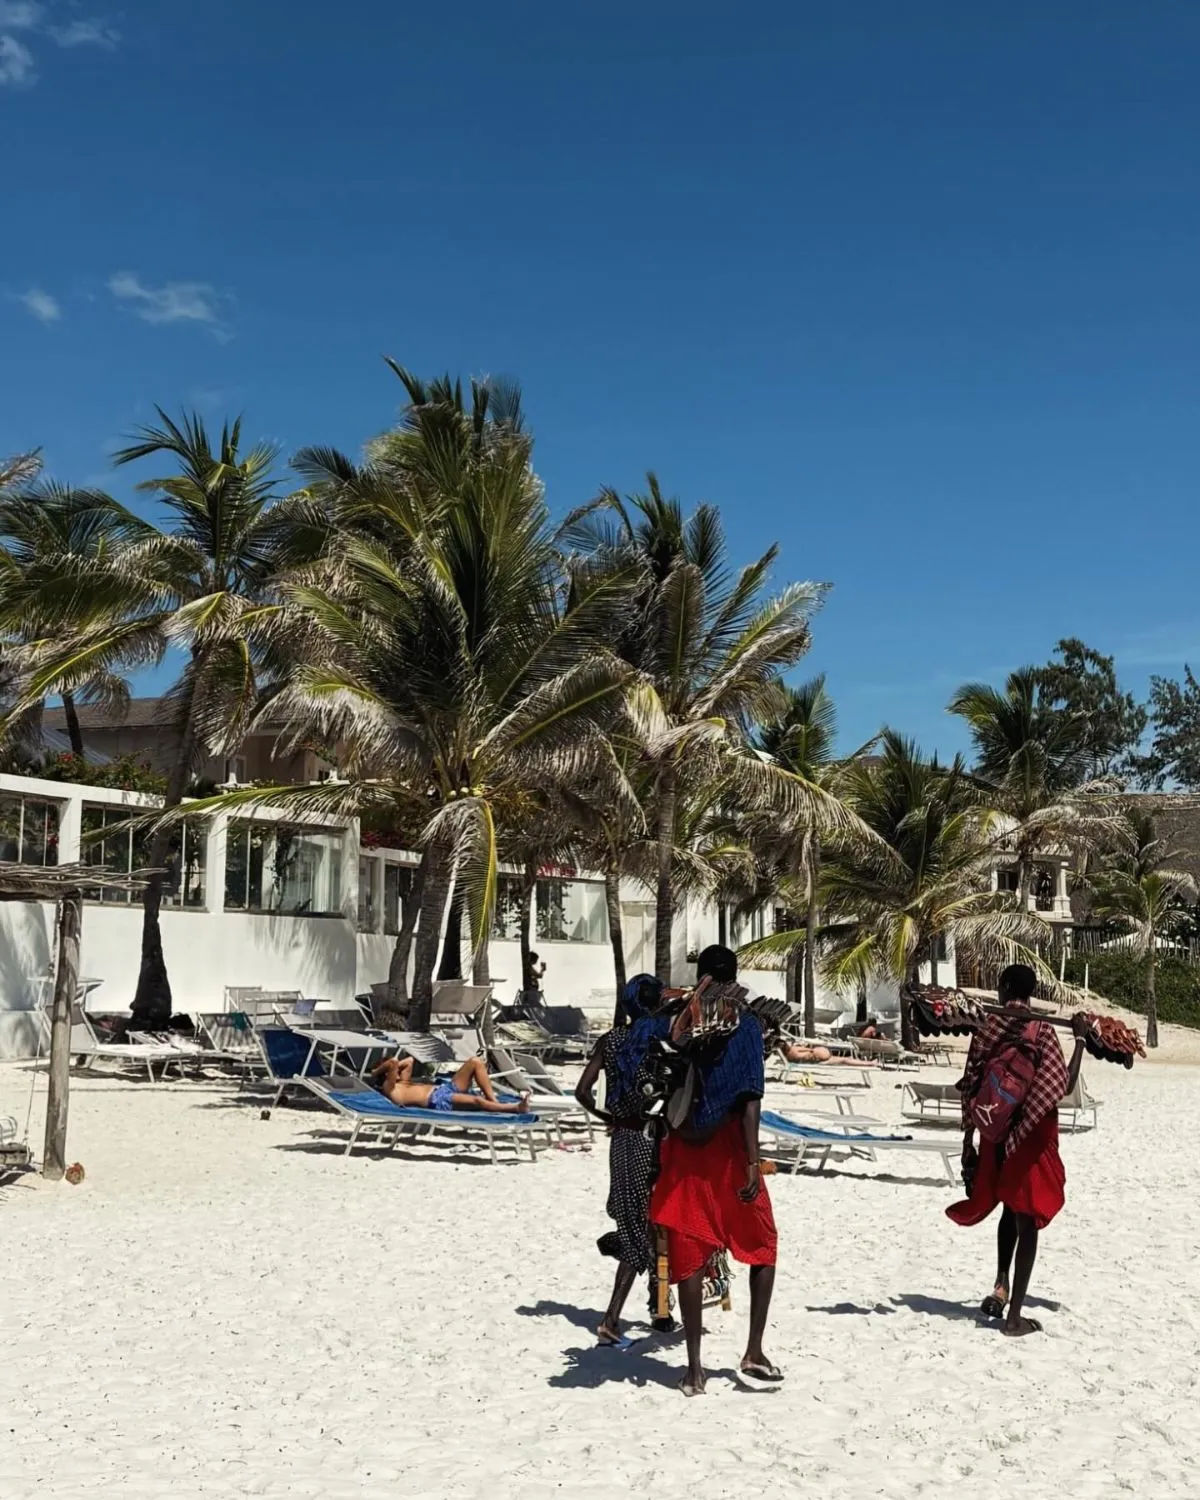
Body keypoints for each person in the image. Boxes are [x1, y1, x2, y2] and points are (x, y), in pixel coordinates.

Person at [650, 945, 779, 1396]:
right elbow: (749, 1101)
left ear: (702, 974)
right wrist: (750, 1162)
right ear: (734, 973)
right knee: (763, 1243)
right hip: (727, 1149)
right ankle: (754, 1350)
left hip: (685, 1145)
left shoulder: (684, 1019)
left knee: (689, 1249)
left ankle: (693, 1369)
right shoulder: (745, 1023)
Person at [946, 963, 1089, 1337]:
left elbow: (971, 1082)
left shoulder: (990, 1026)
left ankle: (1001, 1286)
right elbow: (1063, 1082)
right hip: (1030, 1131)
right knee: (1027, 1218)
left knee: (1010, 1207)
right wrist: (1081, 1041)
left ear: (1006, 988)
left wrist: (968, 1141)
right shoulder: (1041, 1029)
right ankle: (1014, 1318)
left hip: (996, 1130)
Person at [575, 973, 678, 1344]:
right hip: (659, 1138)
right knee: (653, 1225)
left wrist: (611, 1119)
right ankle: (614, 1317)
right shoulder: (665, 1041)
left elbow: (582, 1092)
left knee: (634, 1220)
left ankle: (660, 1307)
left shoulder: (612, 1039)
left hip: (624, 1139)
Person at [371, 1055, 530, 1114]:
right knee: (477, 1102)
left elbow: (410, 1060)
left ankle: (493, 1102)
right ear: (387, 1073)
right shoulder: (389, 1087)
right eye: (393, 1071)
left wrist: (394, 1069)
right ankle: (516, 1108)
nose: (398, 1070)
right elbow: (393, 1062)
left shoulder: (402, 1081)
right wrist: (376, 1072)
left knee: (475, 1062)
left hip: (445, 1088)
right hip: (438, 1100)